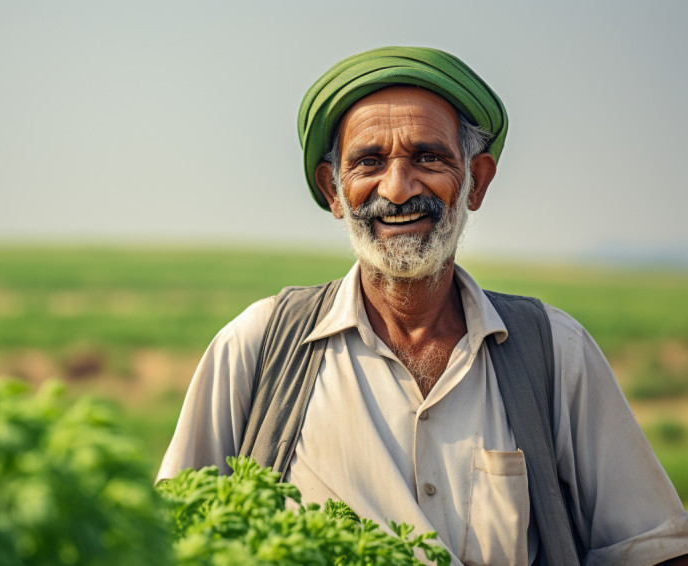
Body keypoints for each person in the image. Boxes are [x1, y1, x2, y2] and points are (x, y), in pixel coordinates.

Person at [157, 47, 688, 565]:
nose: (397, 188)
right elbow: (169, 532)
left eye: (428, 157)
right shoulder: (260, 347)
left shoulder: (554, 353)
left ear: (475, 181)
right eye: (368, 162)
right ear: (334, 191)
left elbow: (653, 549)